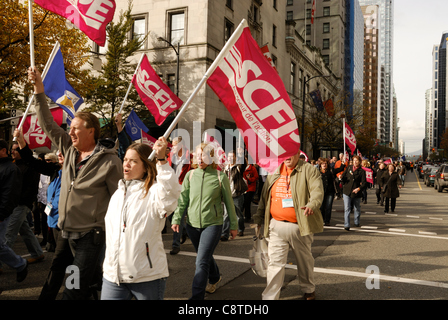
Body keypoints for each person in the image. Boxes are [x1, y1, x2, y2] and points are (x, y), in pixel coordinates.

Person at [28, 67, 123, 300]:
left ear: (91, 131)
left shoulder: (110, 162)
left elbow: (120, 200)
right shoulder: (70, 151)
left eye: (75, 129)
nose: (69, 132)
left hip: (90, 236)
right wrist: (39, 89)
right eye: (69, 129)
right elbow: (48, 123)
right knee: (71, 279)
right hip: (66, 233)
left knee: (72, 290)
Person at [101, 139, 181, 300]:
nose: (127, 164)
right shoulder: (118, 193)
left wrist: (161, 161)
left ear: (145, 166)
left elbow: (170, 194)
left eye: (133, 161)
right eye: (125, 160)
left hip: (147, 277)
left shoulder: (154, 192)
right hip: (113, 277)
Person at [253, 149, 324, 300]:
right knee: (274, 264)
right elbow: (264, 199)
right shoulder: (275, 171)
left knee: (304, 261)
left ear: (298, 153)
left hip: (300, 226)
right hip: (276, 226)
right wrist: (258, 220)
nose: (286, 157)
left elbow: (317, 190)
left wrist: (312, 204)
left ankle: (308, 289)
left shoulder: (308, 170)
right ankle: (270, 297)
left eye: (290, 153)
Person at [171, 143, 237, 300]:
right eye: (198, 155)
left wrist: (233, 225)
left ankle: (196, 297)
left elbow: (229, 204)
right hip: (192, 225)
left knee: (201, 262)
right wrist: (177, 218)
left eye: (204, 155)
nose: (200, 158)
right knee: (204, 256)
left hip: (212, 225)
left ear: (211, 157)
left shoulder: (220, 177)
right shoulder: (190, 175)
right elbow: (183, 200)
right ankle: (215, 277)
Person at [5, 142, 43, 264]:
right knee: (25, 229)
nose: (13, 152)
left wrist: (23, 201)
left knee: (9, 234)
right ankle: (37, 253)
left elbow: (31, 188)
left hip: (21, 204)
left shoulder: (30, 167)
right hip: (13, 203)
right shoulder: (13, 165)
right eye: (12, 149)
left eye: (16, 150)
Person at [0, 139, 28, 282]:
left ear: (3, 150)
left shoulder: (11, 169)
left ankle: (20, 264)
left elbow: (10, 194)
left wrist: (2, 214)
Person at [167, 136, 191, 255]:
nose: (172, 147)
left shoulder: (189, 158)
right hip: (171, 191)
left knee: (179, 217)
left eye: (174, 144)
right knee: (170, 216)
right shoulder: (170, 156)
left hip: (183, 192)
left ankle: (175, 245)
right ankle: (184, 231)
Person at [222, 150, 247, 238]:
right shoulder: (225, 168)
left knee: (238, 214)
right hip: (227, 195)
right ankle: (224, 233)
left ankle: (240, 229)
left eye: (232, 157)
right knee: (226, 215)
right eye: (229, 157)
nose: (230, 158)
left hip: (237, 195)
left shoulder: (238, 168)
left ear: (235, 158)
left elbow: (244, 164)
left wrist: (241, 154)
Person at [340, 155, 367, 231]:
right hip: (347, 191)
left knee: (357, 207)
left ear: (359, 162)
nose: (355, 162)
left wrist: (358, 189)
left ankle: (356, 221)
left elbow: (365, 183)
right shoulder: (349, 168)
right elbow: (344, 176)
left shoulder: (362, 171)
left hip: (356, 192)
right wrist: (341, 178)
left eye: (357, 160)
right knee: (347, 208)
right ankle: (347, 224)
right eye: (354, 160)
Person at [319, 157, 345, 226]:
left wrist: (342, 163)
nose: (324, 165)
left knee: (328, 206)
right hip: (321, 191)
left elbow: (340, 169)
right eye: (322, 164)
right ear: (320, 165)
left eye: (325, 163)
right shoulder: (318, 172)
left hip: (330, 191)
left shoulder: (330, 170)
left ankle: (327, 220)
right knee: (321, 207)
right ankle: (321, 219)